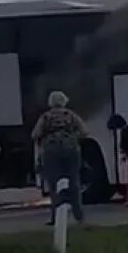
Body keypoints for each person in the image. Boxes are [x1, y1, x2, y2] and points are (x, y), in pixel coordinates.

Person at [31, 91, 86, 225]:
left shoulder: (45, 117)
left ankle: (55, 217)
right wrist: (73, 138)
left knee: (54, 184)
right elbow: (84, 131)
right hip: (71, 150)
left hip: (51, 151)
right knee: (74, 182)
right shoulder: (70, 115)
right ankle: (79, 215)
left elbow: (35, 134)